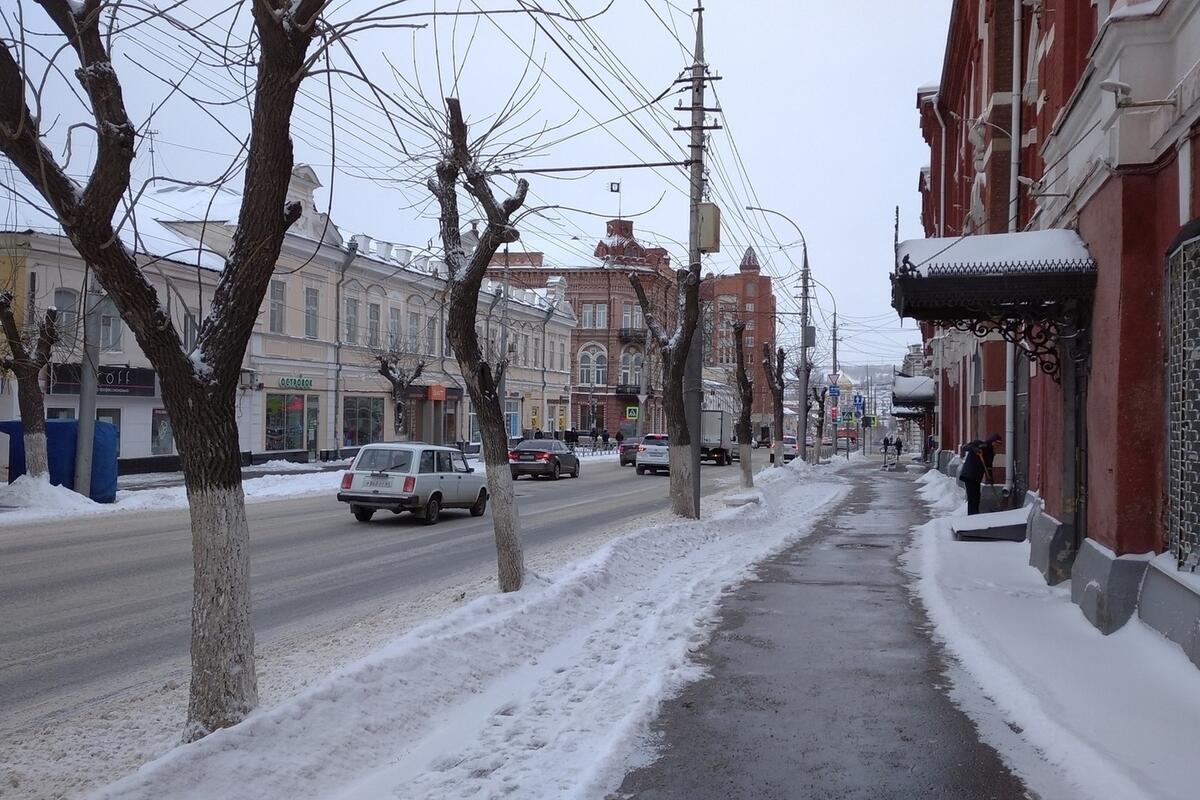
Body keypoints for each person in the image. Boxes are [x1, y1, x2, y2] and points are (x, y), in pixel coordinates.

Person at [959, 433, 1001, 515]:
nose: (997, 446)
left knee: (977, 497)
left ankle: (975, 515)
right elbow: (965, 447)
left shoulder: (991, 453)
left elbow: (989, 466)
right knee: (972, 497)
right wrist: (974, 448)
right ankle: (972, 515)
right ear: (993, 442)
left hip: (977, 476)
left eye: (999, 445)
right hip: (969, 474)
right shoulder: (980, 444)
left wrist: (990, 478)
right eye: (997, 444)